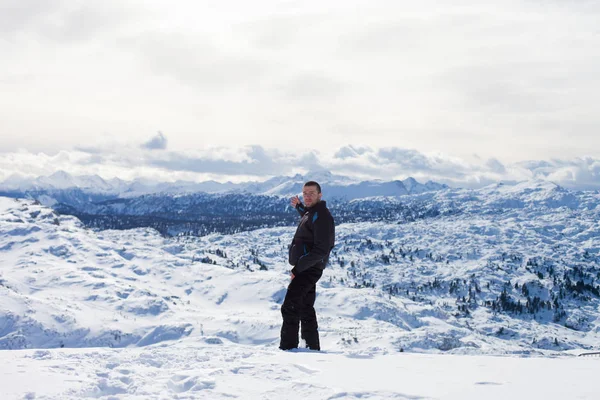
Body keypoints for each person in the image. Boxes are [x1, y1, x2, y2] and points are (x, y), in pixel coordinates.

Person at [279, 181, 335, 351]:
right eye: (305, 193)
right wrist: (299, 207)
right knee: (305, 307)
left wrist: (298, 268)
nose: (307, 196)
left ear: (320, 195)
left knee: (290, 306)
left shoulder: (322, 216)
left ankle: (288, 348)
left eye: (311, 193)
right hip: (307, 267)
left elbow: (321, 249)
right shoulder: (312, 213)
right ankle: (311, 347)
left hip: (309, 268)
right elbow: (309, 217)